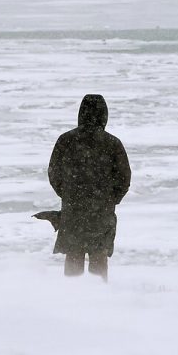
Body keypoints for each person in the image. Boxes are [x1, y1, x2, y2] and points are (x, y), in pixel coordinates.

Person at [47, 94, 131, 280]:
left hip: (73, 208)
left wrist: (68, 195)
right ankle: (99, 297)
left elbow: (54, 173)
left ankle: (71, 295)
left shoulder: (66, 140)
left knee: (73, 253)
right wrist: (110, 199)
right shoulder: (112, 143)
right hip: (102, 209)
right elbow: (124, 179)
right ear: (104, 115)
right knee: (99, 255)